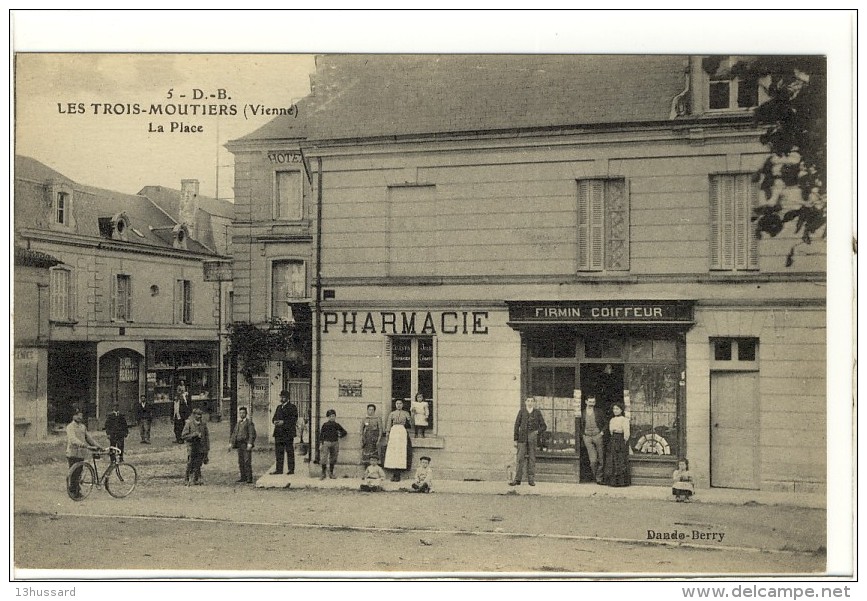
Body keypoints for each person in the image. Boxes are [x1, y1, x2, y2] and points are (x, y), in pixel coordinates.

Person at [65, 406, 102, 499]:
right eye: (77, 416)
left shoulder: (82, 427)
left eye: (81, 416)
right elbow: (73, 439)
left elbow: (89, 438)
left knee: (79, 472)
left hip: (81, 453)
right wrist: (84, 445)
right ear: (73, 416)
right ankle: (73, 491)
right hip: (72, 453)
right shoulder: (70, 427)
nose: (79, 417)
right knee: (74, 473)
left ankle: (76, 491)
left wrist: (98, 446)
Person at [510, 396, 547, 487]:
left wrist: (537, 432)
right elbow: (516, 425)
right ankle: (517, 479)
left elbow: (544, 426)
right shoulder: (522, 412)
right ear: (525, 402)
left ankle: (531, 479)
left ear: (534, 403)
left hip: (532, 438)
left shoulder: (537, 412)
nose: (530, 402)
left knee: (532, 459)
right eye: (528, 401)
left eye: (532, 401)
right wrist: (515, 439)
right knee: (520, 459)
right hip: (522, 438)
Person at [383, 399, 413, 482]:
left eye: (400, 403)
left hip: (402, 432)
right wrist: (387, 434)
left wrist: (409, 419)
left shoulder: (406, 413)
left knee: (401, 451)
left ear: (403, 404)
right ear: (395, 404)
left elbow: (411, 424)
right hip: (394, 431)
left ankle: (398, 473)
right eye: (397, 403)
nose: (398, 405)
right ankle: (394, 473)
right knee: (393, 451)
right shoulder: (392, 414)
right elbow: (389, 424)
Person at [579, 395, 607, 484]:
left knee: (601, 459)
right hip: (587, 437)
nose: (592, 404)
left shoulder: (599, 411)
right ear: (586, 402)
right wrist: (583, 434)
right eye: (590, 402)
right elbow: (578, 425)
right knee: (593, 460)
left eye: (593, 402)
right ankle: (596, 476)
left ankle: (599, 479)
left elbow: (606, 423)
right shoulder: (582, 412)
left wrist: (602, 433)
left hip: (597, 436)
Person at [270, 390, 298, 475]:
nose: (281, 398)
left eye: (283, 397)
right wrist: (274, 421)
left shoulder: (292, 407)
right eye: (281, 397)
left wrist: (284, 422)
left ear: (287, 398)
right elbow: (274, 418)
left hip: (288, 433)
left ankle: (291, 469)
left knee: (289, 451)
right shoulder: (279, 407)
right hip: (278, 433)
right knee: (279, 452)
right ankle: (279, 469)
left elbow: (294, 420)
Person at [603, 403, 631, 487]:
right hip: (613, 440)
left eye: (617, 409)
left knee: (620, 460)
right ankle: (612, 482)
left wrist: (623, 442)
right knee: (612, 460)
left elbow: (626, 432)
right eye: (614, 409)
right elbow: (611, 431)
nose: (615, 411)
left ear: (621, 410)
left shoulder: (624, 420)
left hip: (620, 440)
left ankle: (621, 482)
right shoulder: (612, 420)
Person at [182, 408, 210, 485]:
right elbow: (184, 436)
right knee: (190, 462)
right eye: (198, 414)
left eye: (201, 415)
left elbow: (206, 436)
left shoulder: (203, 424)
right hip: (192, 446)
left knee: (198, 463)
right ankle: (186, 478)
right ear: (194, 415)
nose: (200, 416)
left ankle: (195, 479)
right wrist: (194, 435)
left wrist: (207, 448)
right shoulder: (189, 424)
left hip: (201, 446)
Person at [230, 406, 257, 484]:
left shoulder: (249, 423)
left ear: (246, 413)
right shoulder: (238, 423)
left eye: (243, 413)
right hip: (239, 445)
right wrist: (231, 443)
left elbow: (252, 434)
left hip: (246, 444)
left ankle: (249, 478)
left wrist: (250, 443)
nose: (242, 414)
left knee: (247, 461)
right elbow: (234, 433)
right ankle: (243, 477)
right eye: (240, 413)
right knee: (240, 461)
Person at [319, 409, 348, 480]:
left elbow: (344, 432)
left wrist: (339, 435)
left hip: (335, 443)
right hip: (326, 443)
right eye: (330, 416)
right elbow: (321, 435)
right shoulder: (325, 425)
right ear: (328, 417)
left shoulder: (337, 425)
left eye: (333, 416)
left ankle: (331, 473)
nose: (332, 417)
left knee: (333, 458)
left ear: (335, 417)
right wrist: (320, 444)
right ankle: (323, 473)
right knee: (324, 458)